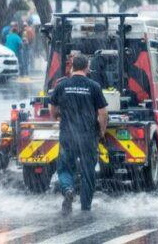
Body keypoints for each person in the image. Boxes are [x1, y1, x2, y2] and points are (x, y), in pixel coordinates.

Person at [50, 55, 108, 214]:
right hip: (88, 137)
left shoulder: (62, 86)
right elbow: (103, 114)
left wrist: (59, 117)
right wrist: (101, 131)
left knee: (64, 169)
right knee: (88, 172)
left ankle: (68, 189)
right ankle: (85, 208)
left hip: (67, 135)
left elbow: (52, 110)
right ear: (87, 67)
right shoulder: (94, 86)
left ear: (71, 67)